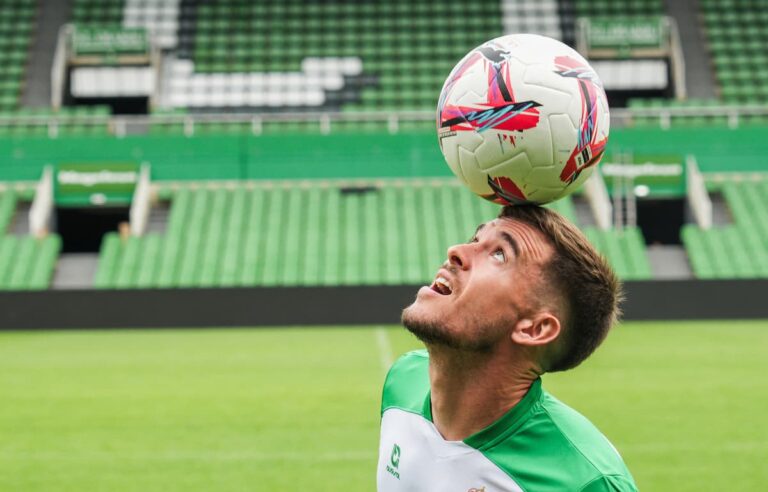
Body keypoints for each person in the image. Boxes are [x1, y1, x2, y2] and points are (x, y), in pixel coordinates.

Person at [377, 205, 638, 491]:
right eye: (476, 239)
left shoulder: (587, 482)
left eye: (499, 254)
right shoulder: (404, 379)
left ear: (534, 328)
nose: (456, 250)